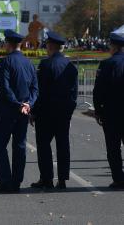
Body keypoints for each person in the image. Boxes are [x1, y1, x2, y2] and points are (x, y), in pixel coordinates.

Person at [0, 30, 38, 193]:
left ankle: (5, 180)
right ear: (20, 44)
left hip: (7, 109)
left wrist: (17, 104)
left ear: (8, 44)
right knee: (20, 145)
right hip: (24, 110)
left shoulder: (6, 62)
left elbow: (6, 87)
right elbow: (35, 89)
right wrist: (28, 104)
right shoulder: (29, 63)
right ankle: (16, 181)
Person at [30, 31, 78, 190]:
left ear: (50, 46)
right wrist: (69, 111)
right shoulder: (71, 67)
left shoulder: (45, 65)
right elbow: (74, 93)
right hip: (63, 112)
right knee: (63, 145)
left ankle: (47, 178)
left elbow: (40, 92)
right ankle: (62, 179)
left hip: (46, 113)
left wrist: (34, 111)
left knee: (43, 145)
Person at [93, 31, 124, 189]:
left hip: (112, 112)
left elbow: (99, 90)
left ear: (114, 47)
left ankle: (118, 178)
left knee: (113, 147)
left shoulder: (107, 64)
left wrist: (97, 110)